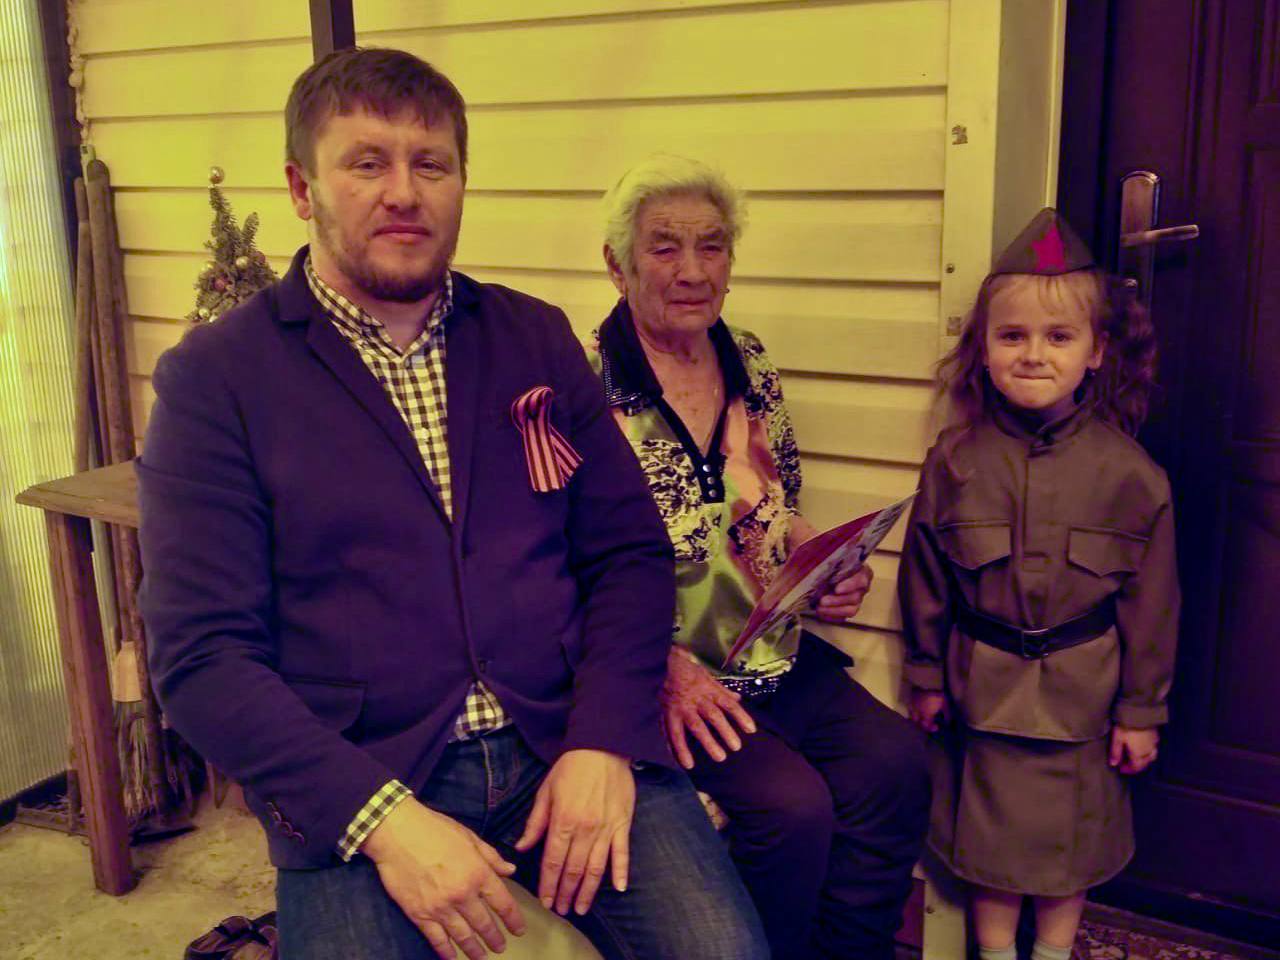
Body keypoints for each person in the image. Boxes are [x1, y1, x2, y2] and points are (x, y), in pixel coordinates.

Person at [137, 50, 768, 960]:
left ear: (461, 181)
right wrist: (385, 823)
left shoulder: (530, 336)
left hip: (560, 734)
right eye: (367, 162)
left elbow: (627, 554)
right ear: (302, 188)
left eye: (430, 164)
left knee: (722, 950)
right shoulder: (218, 380)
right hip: (364, 775)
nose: (404, 192)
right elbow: (201, 658)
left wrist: (602, 741)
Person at [586, 154, 930, 960]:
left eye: (712, 246)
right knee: (791, 809)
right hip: (662, 678)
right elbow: (558, 567)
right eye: (665, 247)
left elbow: (775, 504)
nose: (693, 270)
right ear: (617, 264)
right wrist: (662, 668)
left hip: (770, 652)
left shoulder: (749, 360)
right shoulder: (582, 385)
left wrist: (827, 567)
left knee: (897, 763)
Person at [898, 209, 1180, 960]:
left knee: (1068, 850)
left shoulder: (1131, 475)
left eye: (1059, 337)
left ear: (1096, 352)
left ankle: (1052, 955)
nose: (1032, 355)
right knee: (992, 846)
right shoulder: (955, 460)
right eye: (1012, 336)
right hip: (982, 693)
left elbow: (1153, 607)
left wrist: (1141, 711)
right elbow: (925, 577)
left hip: (1086, 703)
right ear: (984, 348)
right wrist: (924, 673)